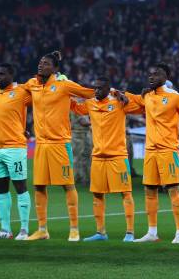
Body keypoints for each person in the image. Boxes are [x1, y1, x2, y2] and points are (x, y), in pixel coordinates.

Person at [24, 51, 95, 241]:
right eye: (40, 62)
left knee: (67, 185)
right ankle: (42, 229)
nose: (41, 65)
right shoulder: (32, 84)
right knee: (39, 186)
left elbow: (90, 93)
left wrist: (113, 93)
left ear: (55, 68)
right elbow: (13, 94)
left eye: (46, 63)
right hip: (41, 145)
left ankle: (74, 229)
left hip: (60, 144)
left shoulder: (64, 85)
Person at [71, 77, 142, 242]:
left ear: (108, 89)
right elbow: (75, 107)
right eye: (95, 88)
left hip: (117, 156)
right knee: (97, 194)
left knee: (125, 193)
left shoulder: (119, 103)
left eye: (100, 88)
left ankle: (130, 232)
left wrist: (119, 93)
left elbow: (140, 106)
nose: (96, 91)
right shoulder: (90, 103)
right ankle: (101, 232)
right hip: (98, 157)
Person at [128, 63, 179, 244]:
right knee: (149, 190)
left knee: (172, 190)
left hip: (168, 150)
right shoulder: (147, 96)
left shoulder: (175, 97)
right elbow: (134, 100)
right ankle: (152, 232)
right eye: (150, 74)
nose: (151, 77)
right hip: (150, 150)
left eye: (156, 74)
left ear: (165, 77)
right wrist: (119, 94)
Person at [0, 64, 33, 240]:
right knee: (1, 191)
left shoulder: (21, 92)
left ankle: (24, 230)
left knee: (20, 188)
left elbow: (42, 98)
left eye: (2, 74)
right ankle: (5, 230)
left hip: (15, 148)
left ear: (11, 75)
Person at [70, 109, 92, 186]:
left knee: (86, 157)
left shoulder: (84, 105)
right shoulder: (76, 107)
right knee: (77, 158)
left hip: (85, 133)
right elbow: (83, 122)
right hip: (77, 135)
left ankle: (85, 178)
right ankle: (74, 178)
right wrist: (97, 121)